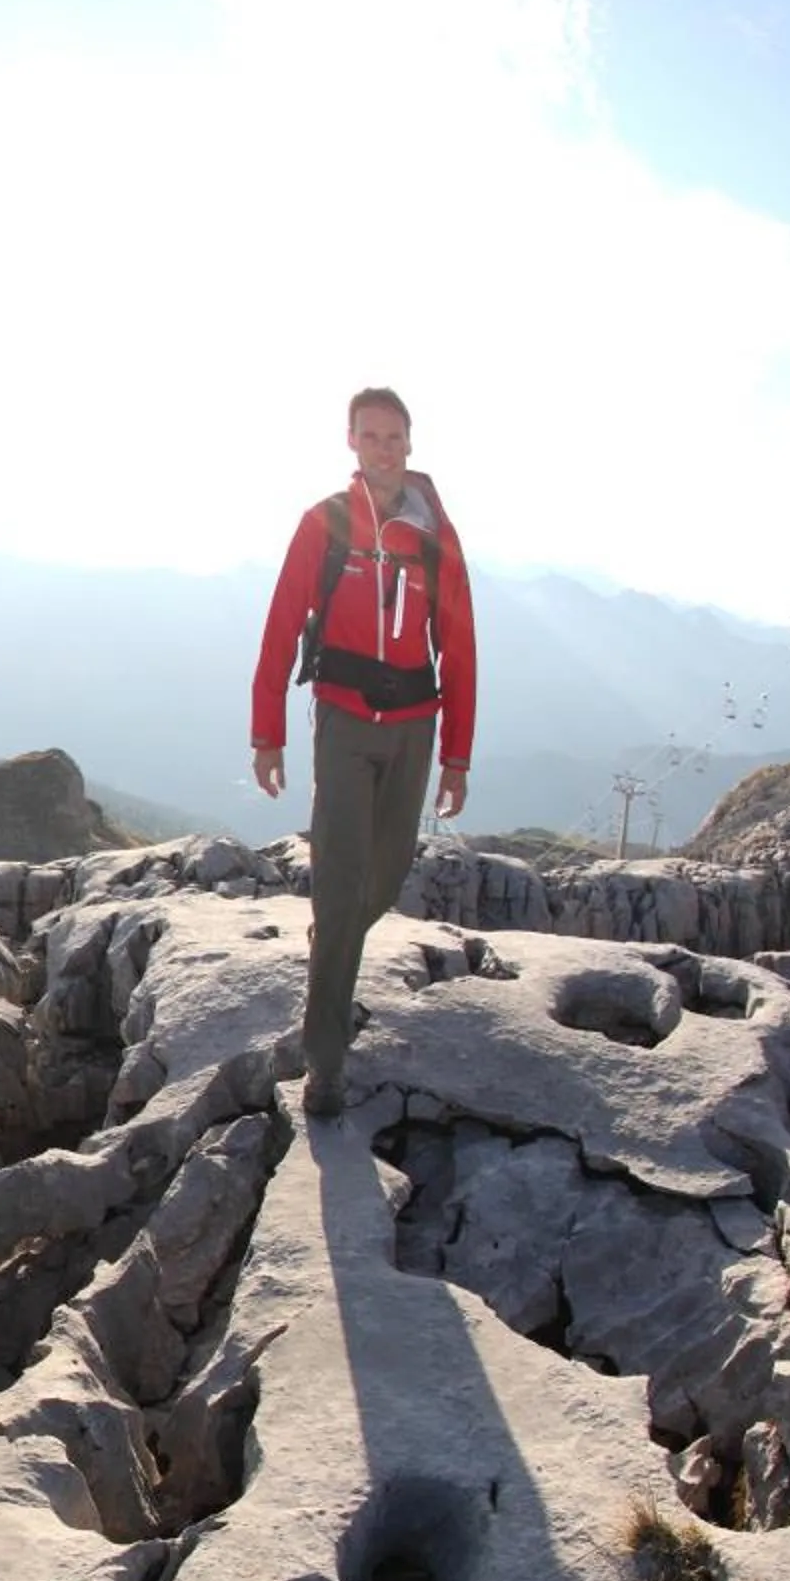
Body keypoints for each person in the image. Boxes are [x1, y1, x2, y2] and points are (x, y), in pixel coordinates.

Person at [247, 386, 477, 1117]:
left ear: (411, 443)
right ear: (351, 441)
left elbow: (461, 643)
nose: (384, 448)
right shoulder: (326, 524)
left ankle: (333, 942)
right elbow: (282, 623)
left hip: (415, 724)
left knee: (385, 876)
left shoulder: (433, 532)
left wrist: (458, 755)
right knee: (344, 884)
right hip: (343, 722)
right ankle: (326, 1062)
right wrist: (268, 731)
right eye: (371, 435)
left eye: (395, 436)